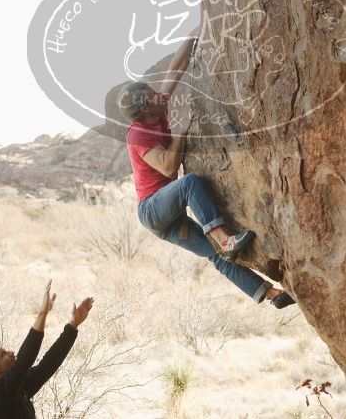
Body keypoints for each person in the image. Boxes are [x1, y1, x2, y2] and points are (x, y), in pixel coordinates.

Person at [119, 28, 295, 309]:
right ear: (143, 112)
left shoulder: (155, 109)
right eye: (153, 97)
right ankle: (223, 239)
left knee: (215, 256)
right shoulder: (138, 134)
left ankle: (273, 295)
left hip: (170, 216)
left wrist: (193, 34)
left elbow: (174, 71)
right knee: (190, 183)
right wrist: (182, 134)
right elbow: (167, 168)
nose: (159, 97)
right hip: (153, 211)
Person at [0, 280, 94, 419]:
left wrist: (73, 325)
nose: (11, 353)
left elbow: (48, 364)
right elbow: (25, 360)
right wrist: (42, 313)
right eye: (3, 354)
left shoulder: (19, 388)